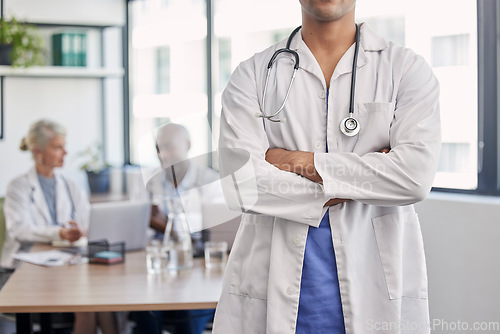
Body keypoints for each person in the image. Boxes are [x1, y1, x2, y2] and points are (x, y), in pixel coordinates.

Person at [214, 1, 441, 334]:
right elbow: (241, 185)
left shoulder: (405, 69)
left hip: (374, 292)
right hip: (271, 294)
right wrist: (366, 174)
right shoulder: (253, 74)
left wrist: (297, 161)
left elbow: (413, 178)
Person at [2, 119, 117, 334]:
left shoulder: (70, 184)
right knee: (88, 304)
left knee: (102, 297)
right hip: (24, 269)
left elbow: (89, 219)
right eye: (58, 147)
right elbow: (18, 229)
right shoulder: (18, 186)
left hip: (65, 262)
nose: (65, 152)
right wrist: (60, 232)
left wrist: (81, 230)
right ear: (38, 151)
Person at [133, 123, 218, 334]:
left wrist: (164, 224)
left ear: (187, 145)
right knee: (143, 311)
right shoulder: (146, 182)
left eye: (169, 147)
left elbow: (214, 232)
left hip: (196, 271)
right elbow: (135, 229)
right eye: (158, 148)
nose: (163, 154)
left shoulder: (210, 181)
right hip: (155, 270)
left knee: (188, 315)